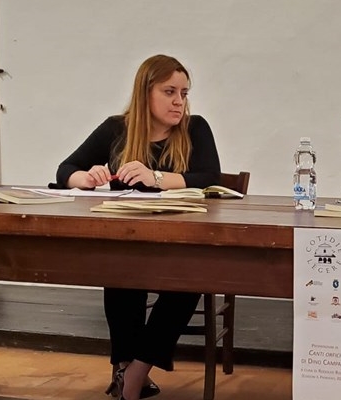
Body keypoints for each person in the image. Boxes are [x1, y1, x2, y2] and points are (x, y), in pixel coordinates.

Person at [55, 54, 221, 400]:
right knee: (119, 272)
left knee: (190, 280)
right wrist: (84, 177)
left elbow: (209, 178)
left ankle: (135, 372)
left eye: (184, 93)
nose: (179, 102)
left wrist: (156, 177)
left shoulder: (195, 128)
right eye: (169, 92)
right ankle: (126, 368)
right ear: (145, 92)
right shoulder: (117, 129)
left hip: (182, 243)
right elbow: (65, 169)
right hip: (131, 241)